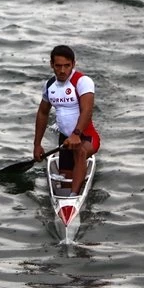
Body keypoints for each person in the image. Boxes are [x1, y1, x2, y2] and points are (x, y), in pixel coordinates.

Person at [31, 45, 100, 195]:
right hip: (65, 141)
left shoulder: (83, 81)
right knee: (64, 181)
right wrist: (37, 145)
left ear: (73, 64)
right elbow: (43, 113)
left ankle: (74, 197)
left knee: (80, 151)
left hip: (86, 137)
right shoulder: (50, 86)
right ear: (51, 65)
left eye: (67, 66)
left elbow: (87, 110)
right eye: (58, 66)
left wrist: (76, 134)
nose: (62, 70)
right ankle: (68, 191)